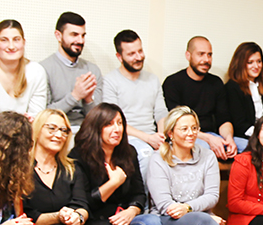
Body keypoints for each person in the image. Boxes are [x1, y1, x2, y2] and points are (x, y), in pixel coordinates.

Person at [162, 36, 236, 160]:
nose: (206, 60)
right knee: (204, 151)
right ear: (188, 55)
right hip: (187, 136)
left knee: (249, 146)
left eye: (209, 55)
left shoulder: (216, 83)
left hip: (213, 135)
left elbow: (224, 119)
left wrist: (229, 139)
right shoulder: (173, 82)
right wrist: (209, 139)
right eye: (201, 54)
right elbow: (176, 124)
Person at [101, 29, 167, 164]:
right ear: (119, 57)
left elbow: (161, 112)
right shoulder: (110, 81)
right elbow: (113, 120)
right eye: (131, 54)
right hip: (126, 137)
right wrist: (148, 139)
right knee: (146, 155)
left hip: (153, 136)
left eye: (140, 51)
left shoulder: (153, 79)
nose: (138, 57)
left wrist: (161, 138)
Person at [39, 12, 102, 131]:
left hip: (87, 132)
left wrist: (88, 100)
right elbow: (43, 115)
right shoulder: (42, 69)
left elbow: (98, 119)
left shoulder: (92, 70)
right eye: (74, 35)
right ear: (58, 36)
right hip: (56, 132)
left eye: (83, 35)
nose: (80, 41)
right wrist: (75, 96)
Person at [224, 42, 263, 152]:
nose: (256, 66)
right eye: (250, 62)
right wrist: (261, 135)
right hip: (244, 136)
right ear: (241, 64)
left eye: (259, 61)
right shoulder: (232, 87)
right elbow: (239, 124)